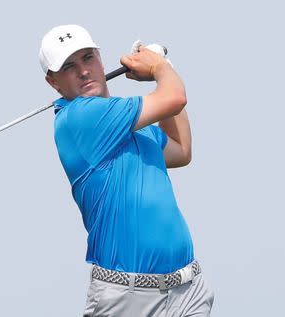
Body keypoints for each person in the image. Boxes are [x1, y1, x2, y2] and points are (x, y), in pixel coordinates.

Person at [39, 25, 214, 316]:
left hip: (187, 290)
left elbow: (181, 150)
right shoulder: (79, 119)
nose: (83, 71)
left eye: (88, 58)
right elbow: (175, 98)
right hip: (128, 300)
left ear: (100, 58)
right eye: (69, 66)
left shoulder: (129, 121)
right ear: (53, 82)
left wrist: (162, 71)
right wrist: (158, 68)